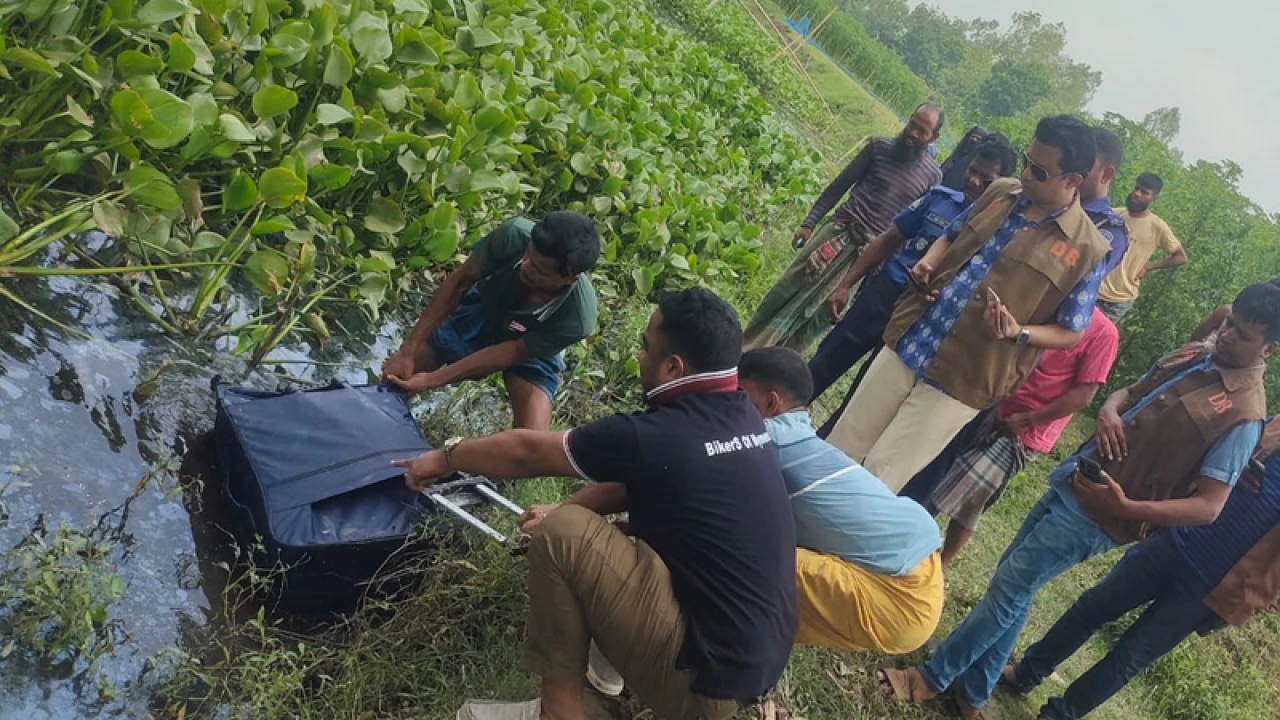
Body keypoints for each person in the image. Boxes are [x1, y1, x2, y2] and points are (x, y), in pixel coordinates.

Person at [876, 281, 1279, 719]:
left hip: (1104, 515)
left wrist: (1127, 508)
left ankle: (931, 678)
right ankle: (973, 691)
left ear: (1269, 350)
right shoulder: (1198, 355)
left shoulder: (1244, 416)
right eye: (1229, 323)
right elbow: (1131, 392)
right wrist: (1109, 410)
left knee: (1013, 582)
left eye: (1242, 334)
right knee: (1014, 582)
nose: (1227, 334)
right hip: (1078, 475)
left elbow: (1209, 507)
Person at [394, 288, 798, 720]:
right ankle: (607, 690)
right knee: (600, 527)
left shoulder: (657, 436)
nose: (639, 355)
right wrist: (576, 506)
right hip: (748, 665)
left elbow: (528, 453)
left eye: (645, 346)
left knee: (562, 536)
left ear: (673, 366)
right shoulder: (743, 417)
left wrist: (445, 457)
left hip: (702, 684)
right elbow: (635, 484)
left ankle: (560, 713)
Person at [824, 115, 1111, 493]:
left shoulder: (1087, 249)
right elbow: (951, 235)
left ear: (1073, 180)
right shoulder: (1000, 193)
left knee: (882, 472)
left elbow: (1071, 331)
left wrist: (1019, 332)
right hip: (914, 336)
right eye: (1027, 161)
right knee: (844, 441)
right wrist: (929, 263)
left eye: (1039, 172)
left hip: (967, 375)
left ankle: (824, 547)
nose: (1026, 174)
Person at [1001, 411, 1280, 720]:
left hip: (1217, 585)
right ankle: (1026, 672)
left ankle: (1059, 714)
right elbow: (1219, 454)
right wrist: (1234, 470)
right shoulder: (1272, 423)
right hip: (1177, 539)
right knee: (1093, 606)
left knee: (1132, 655)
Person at [737, 347, 945, 655]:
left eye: (740, 396)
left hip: (901, 601)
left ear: (770, 403)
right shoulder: (799, 434)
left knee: (745, 562)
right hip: (921, 568)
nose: (729, 405)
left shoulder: (766, 438)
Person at [806, 137, 1018, 410]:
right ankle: (780, 415)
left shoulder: (995, 236)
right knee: (827, 359)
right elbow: (888, 239)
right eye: (973, 171)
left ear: (1001, 186)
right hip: (884, 295)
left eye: (986, 180)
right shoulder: (939, 199)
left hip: (919, 318)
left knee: (869, 393)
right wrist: (846, 284)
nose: (974, 182)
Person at [903, 308, 1120, 569]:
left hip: (1024, 429)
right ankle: (910, 544)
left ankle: (938, 565)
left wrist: (1027, 420)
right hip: (988, 401)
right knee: (940, 473)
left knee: (967, 493)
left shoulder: (1104, 333)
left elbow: (1084, 395)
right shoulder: (1054, 304)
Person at [742, 104, 944, 352]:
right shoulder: (878, 147)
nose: (913, 133)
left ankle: (772, 364)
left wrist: (876, 272)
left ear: (933, 137)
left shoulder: (933, 178)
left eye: (922, 131)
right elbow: (840, 186)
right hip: (838, 233)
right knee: (787, 290)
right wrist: (809, 223)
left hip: (866, 258)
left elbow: (905, 231)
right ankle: (746, 346)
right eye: (912, 124)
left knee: (819, 315)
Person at [380, 212, 600, 431]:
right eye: (527, 255)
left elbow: (513, 352)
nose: (525, 266)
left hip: (529, 342)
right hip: (485, 311)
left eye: (538, 269)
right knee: (397, 380)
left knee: (531, 439)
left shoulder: (578, 317)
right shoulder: (513, 235)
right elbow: (459, 282)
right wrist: (408, 350)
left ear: (569, 279)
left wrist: (430, 380)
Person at [1096, 173, 1186, 322]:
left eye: (1144, 192)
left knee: (1092, 339)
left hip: (1119, 299)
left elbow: (1181, 257)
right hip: (1094, 288)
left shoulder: (1157, 226)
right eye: (1137, 188)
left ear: (1154, 198)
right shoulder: (1114, 215)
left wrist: (1149, 266)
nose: (1137, 194)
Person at [1078, 127, 1130, 275]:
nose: (1073, 170)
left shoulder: (1109, 229)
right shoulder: (1052, 202)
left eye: (1084, 166)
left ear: (1106, 174)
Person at [939, 125, 990, 191]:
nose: (974, 140)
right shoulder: (956, 155)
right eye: (973, 137)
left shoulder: (973, 167)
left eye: (978, 139)